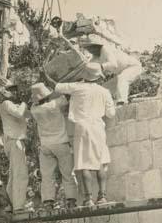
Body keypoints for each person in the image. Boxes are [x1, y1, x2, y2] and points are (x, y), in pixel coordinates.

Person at [46, 62, 116, 207]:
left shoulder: (76, 87)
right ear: (98, 77)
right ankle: (102, 196)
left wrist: (44, 74)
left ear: (85, 75)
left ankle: (88, 199)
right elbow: (111, 113)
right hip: (97, 127)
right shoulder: (104, 92)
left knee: (84, 163)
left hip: (82, 127)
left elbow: (56, 86)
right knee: (101, 161)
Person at [29, 82, 78, 212]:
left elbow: (35, 104)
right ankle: (71, 201)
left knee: (47, 176)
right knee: (67, 173)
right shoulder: (56, 104)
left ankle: (48, 203)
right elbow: (68, 93)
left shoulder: (34, 110)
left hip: (46, 145)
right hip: (61, 142)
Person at [80, 34, 143, 105]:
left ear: (97, 46)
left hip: (134, 67)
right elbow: (91, 72)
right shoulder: (95, 57)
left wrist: (101, 67)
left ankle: (122, 102)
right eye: (88, 49)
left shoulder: (105, 49)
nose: (90, 50)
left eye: (91, 48)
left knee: (122, 78)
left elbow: (113, 64)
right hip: (122, 71)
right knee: (104, 89)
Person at [0, 82, 29, 212]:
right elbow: (19, 113)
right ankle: (18, 206)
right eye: (11, 90)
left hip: (14, 141)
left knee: (14, 173)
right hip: (15, 141)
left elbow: (27, 115)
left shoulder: (12, 105)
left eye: (15, 89)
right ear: (4, 92)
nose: (15, 92)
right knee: (20, 174)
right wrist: (24, 102)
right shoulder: (6, 104)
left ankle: (11, 203)